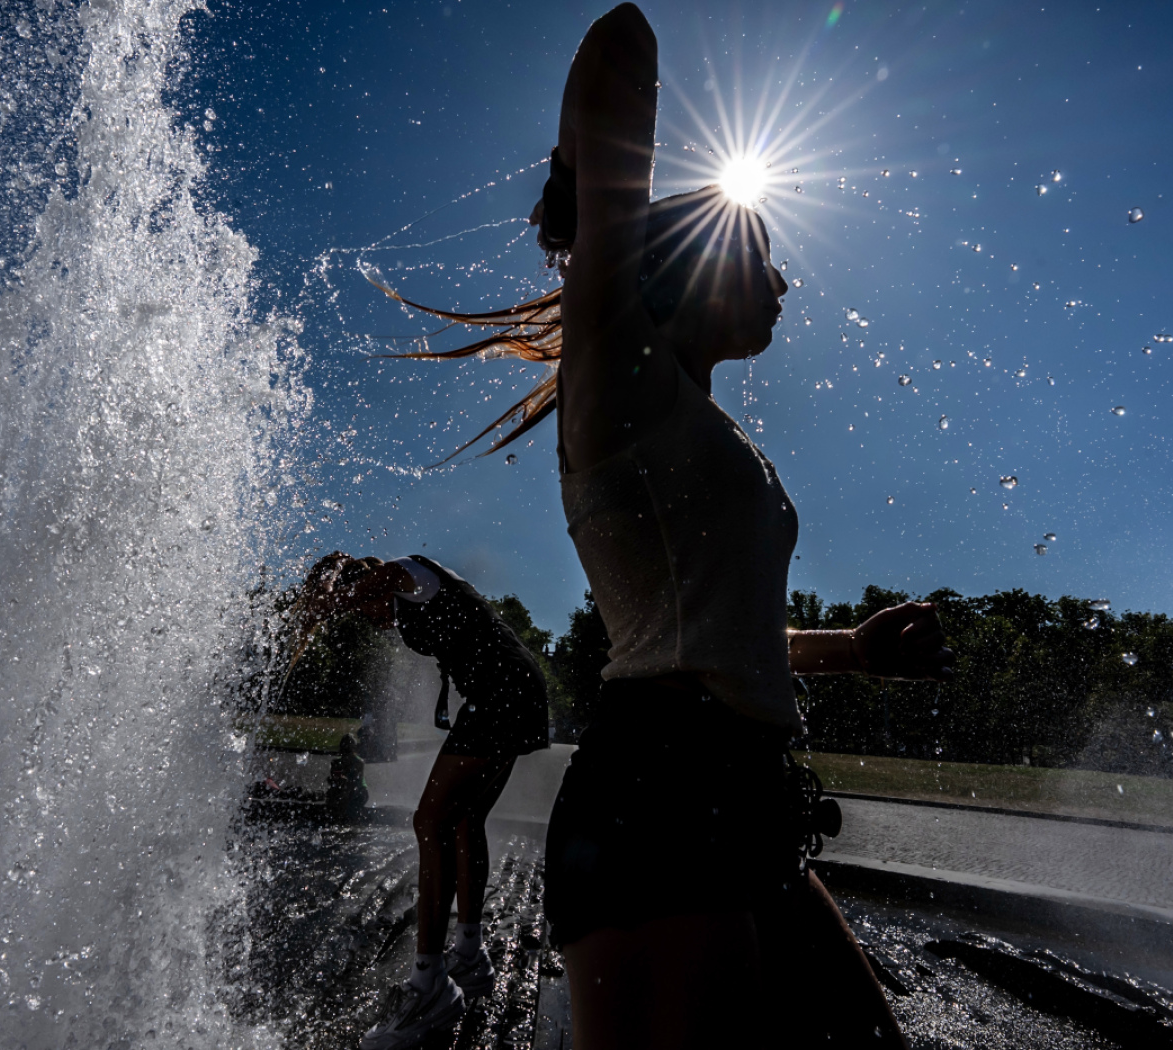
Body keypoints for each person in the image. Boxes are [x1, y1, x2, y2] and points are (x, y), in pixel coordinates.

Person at [379, 6, 953, 1046]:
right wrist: (593, 195)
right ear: (692, 269)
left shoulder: (703, 429)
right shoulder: (619, 387)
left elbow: (717, 637)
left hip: (746, 797)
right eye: (758, 254)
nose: (781, 280)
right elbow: (619, 42)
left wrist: (855, 652)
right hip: (660, 797)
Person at [292, 551, 550, 1050]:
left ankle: (430, 984)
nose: (369, 618)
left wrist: (330, 586)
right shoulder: (409, 592)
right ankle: (469, 955)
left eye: (365, 607)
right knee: (465, 819)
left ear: (370, 585)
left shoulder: (407, 573)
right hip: (512, 688)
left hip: (501, 691)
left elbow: (351, 592)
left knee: (430, 822)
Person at [325, 733, 369, 820]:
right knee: (336, 792)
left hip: (356, 792)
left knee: (344, 792)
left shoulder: (358, 763)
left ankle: (344, 814)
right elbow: (334, 780)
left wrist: (344, 782)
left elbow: (357, 783)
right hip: (344, 790)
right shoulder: (336, 763)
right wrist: (334, 781)